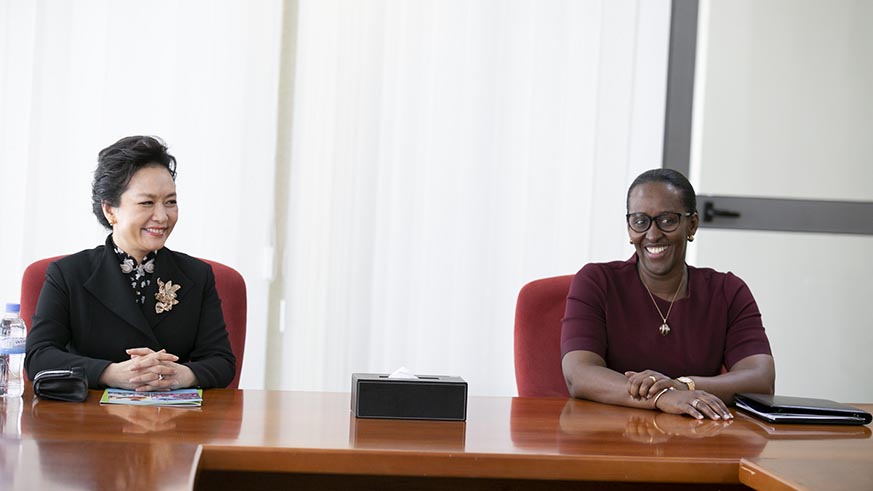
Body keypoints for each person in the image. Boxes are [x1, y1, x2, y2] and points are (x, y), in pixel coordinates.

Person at [560, 168, 774, 420]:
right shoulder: (597, 281)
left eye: (667, 220)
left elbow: (761, 379)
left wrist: (684, 386)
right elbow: (579, 374)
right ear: (630, 229)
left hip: (697, 441)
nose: (652, 234)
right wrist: (663, 397)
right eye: (640, 221)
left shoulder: (727, 291)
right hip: (610, 439)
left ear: (691, 225)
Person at [25, 136, 236, 391]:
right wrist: (109, 373)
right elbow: (38, 357)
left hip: (172, 423)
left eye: (170, 202)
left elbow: (222, 361)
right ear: (110, 210)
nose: (162, 216)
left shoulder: (197, 275)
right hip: (90, 423)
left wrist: (181, 375)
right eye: (147, 202)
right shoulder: (68, 274)